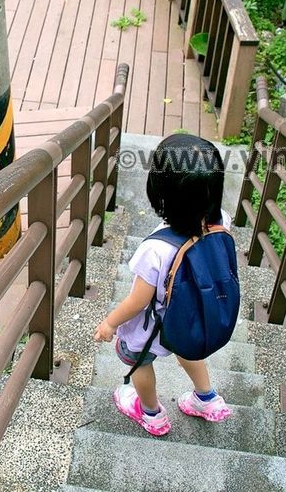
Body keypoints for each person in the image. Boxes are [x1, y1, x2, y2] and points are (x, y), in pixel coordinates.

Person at [94, 134, 234, 436]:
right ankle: (206, 398)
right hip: (191, 316)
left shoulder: (155, 250)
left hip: (152, 329)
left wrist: (110, 323)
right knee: (189, 351)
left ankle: (151, 413)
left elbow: (139, 301)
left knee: (139, 362)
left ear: (159, 193)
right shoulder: (221, 219)